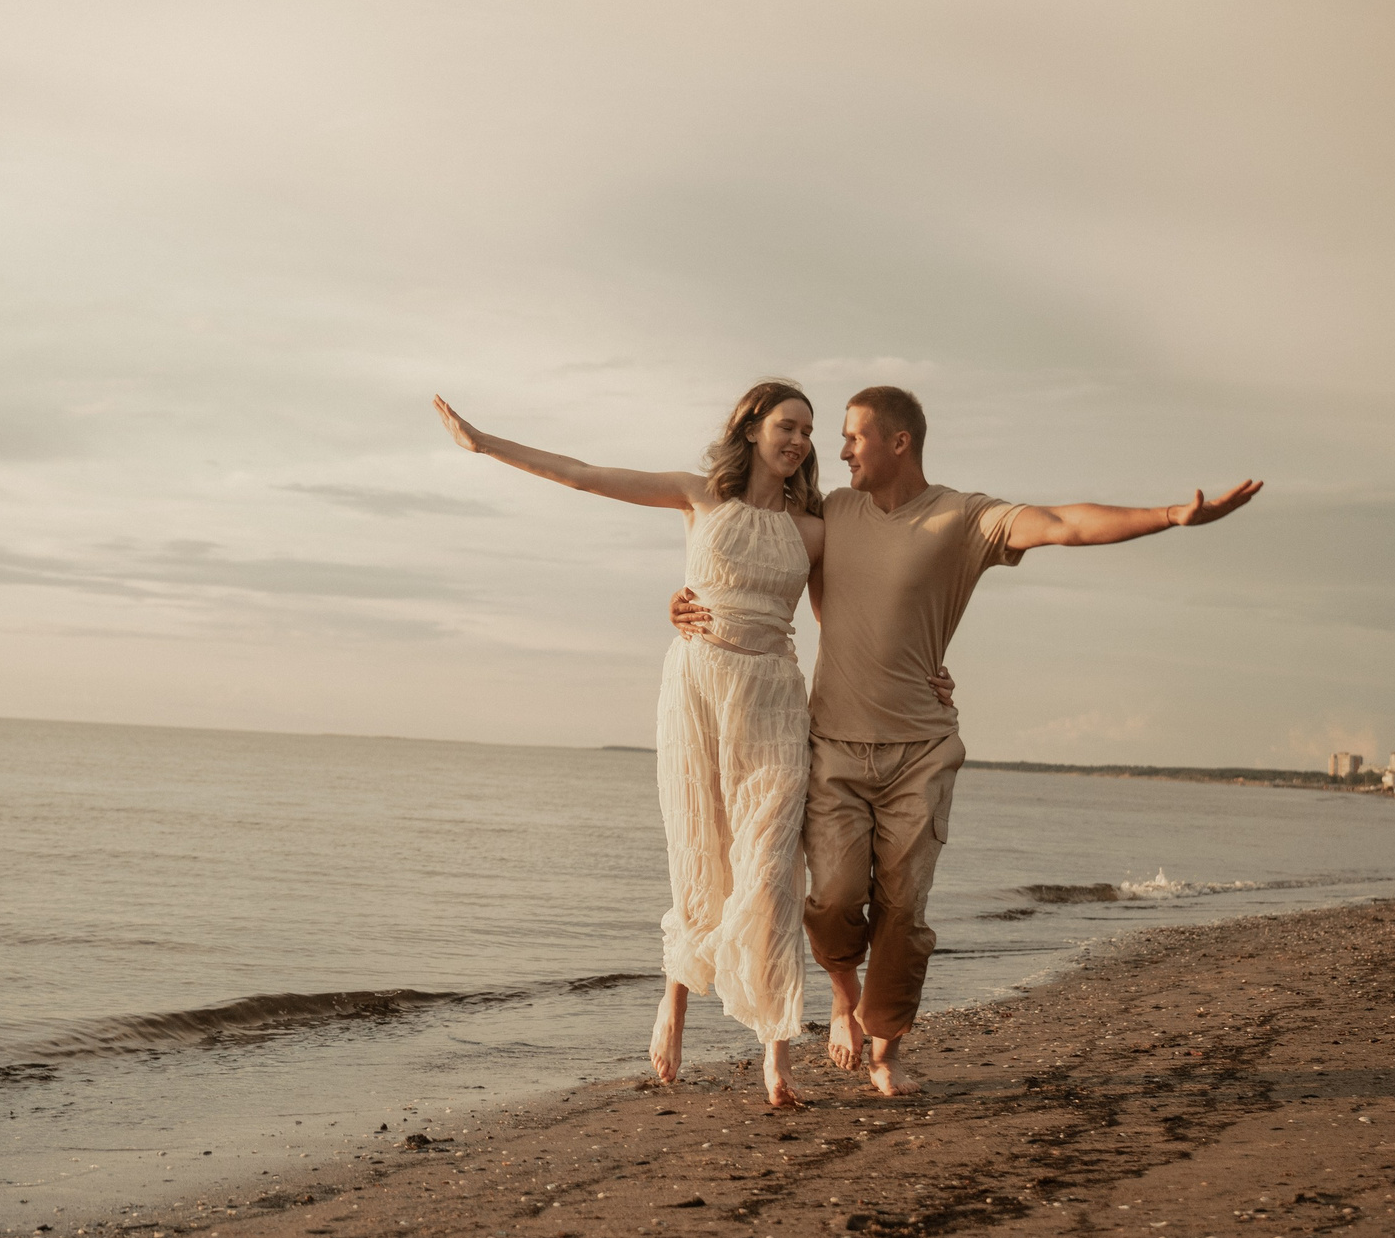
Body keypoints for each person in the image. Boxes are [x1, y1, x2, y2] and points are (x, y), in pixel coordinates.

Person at [675, 385, 1259, 1097]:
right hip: (831, 741)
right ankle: (841, 992)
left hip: (920, 747)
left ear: (899, 442)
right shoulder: (832, 511)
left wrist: (1172, 515)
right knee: (828, 900)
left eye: (854, 436)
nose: (840, 449)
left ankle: (886, 1047)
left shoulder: (964, 517)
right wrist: (686, 602)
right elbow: (747, 554)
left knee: (902, 906)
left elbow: (1063, 522)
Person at [434, 383, 870, 1106]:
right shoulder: (696, 495)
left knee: (770, 864)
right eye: (787, 425)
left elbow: (843, 623)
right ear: (753, 428)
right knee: (700, 852)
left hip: (772, 696)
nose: (798, 440)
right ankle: (674, 1004)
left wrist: (922, 673)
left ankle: (776, 1051)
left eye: (808, 431)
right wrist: (487, 445)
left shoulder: (814, 529)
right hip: (697, 688)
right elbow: (585, 473)